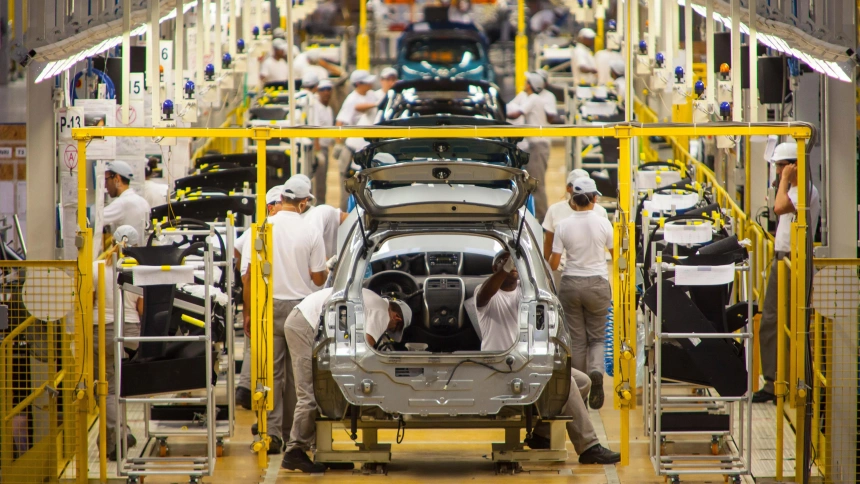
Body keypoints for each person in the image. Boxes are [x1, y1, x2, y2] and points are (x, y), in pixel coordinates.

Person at [475, 250, 620, 464]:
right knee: (565, 383)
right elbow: (484, 294)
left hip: (526, 365)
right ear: (494, 268)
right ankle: (589, 447)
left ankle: (541, 435)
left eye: (513, 262)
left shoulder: (526, 294)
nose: (510, 265)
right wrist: (505, 268)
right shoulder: (486, 293)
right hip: (500, 369)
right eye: (503, 262)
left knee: (584, 381)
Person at [240, 177, 328, 453]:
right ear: (303, 202)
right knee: (298, 375)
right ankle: (294, 433)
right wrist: (323, 269)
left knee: (271, 373)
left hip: (267, 305)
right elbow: (317, 279)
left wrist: (248, 313)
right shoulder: (311, 230)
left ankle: (272, 433)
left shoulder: (264, 227)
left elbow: (250, 274)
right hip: (301, 310)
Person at [281, 287, 411, 472]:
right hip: (304, 325)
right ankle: (294, 451)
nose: (388, 331)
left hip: (304, 318)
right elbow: (366, 351)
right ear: (396, 318)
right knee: (308, 396)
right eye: (393, 329)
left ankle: (320, 451)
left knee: (319, 391)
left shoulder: (374, 302)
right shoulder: (381, 313)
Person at [754, 142, 820, 403]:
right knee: (771, 321)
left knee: (791, 324)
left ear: (794, 166)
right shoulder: (794, 188)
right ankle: (775, 381)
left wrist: (783, 181)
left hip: (795, 262)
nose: (778, 171)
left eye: (781, 166)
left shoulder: (804, 190)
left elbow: (779, 207)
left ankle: (789, 383)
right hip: (782, 259)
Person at [549, 177, 614, 410]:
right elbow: (617, 255)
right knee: (597, 337)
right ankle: (596, 372)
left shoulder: (563, 225)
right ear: (594, 199)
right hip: (597, 283)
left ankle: (579, 387)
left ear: (573, 200)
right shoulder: (603, 223)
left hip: (570, 284)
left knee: (576, 339)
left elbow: (555, 262)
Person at [94, 225, 143, 461]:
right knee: (119, 389)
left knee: (107, 390)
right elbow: (142, 309)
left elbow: (90, 301)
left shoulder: (96, 268)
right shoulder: (139, 271)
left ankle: (120, 434)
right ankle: (110, 439)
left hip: (103, 330)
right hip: (131, 332)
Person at [235, 186, 284, 410]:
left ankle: (247, 389)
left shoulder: (256, 232)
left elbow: (236, 251)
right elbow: (247, 277)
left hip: (258, 295)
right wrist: (248, 312)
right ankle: (248, 391)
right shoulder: (261, 231)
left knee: (257, 349)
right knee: (261, 351)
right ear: (271, 208)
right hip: (259, 296)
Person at [542, 169, 608, 283]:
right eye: (578, 186)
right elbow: (548, 243)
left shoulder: (600, 212)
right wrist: (544, 269)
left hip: (592, 272)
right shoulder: (555, 210)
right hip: (561, 271)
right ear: (568, 188)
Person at [506, 72, 554, 221]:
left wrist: (500, 112)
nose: (524, 83)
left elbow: (516, 114)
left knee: (536, 184)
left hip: (538, 145)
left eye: (527, 81)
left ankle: (542, 221)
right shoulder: (529, 97)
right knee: (532, 183)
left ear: (531, 85)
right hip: (534, 145)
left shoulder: (533, 98)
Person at [334, 70, 381, 210]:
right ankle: (344, 217)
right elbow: (340, 122)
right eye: (367, 82)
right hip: (351, 150)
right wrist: (338, 143)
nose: (370, 83)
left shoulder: (371, 94)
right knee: (348, 188)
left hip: (365, 149)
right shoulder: (352, 99)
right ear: (359, 84)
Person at [104, 160, 151, 241]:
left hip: (127, 252)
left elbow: (96, 219)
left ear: (117, 179)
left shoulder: (122, 203)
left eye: (106, 179)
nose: (105, 185)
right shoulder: (142, 201)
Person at [311, 79, 335, 203]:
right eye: (323, 90)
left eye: (328, 89)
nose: (326, 92)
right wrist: (317, 150)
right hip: (317, 148)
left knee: (323, 180)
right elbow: (315, 129)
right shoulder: (316, 106)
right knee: (318, 181)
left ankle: (321, 205)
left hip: (325, 148)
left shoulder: (329, 109)